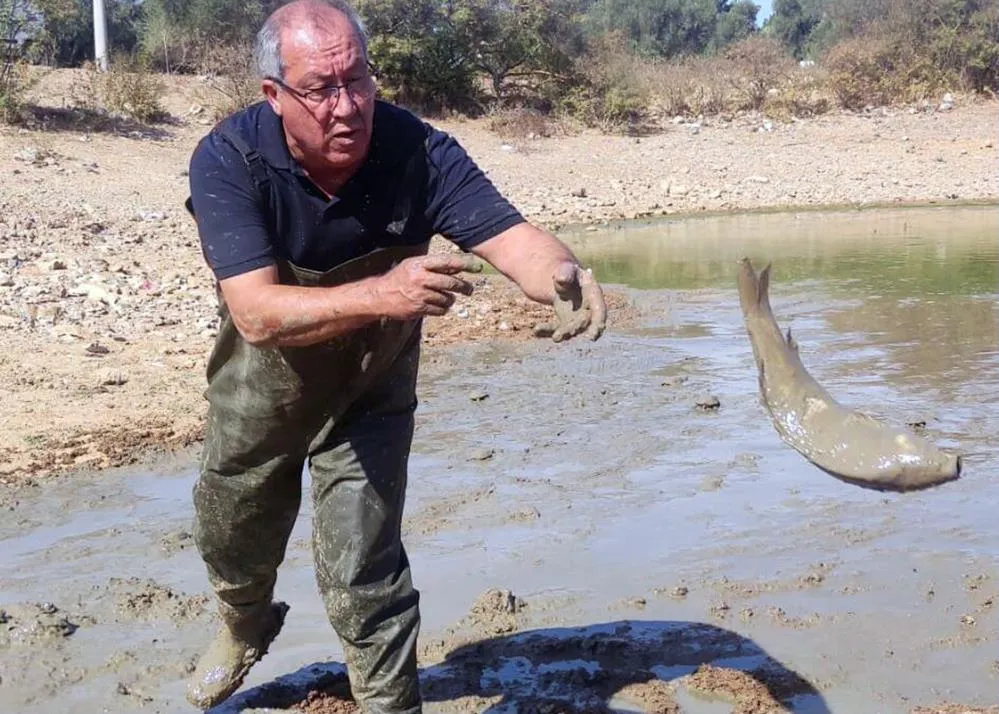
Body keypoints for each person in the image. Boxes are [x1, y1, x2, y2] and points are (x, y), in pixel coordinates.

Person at [182, 0, 607, 711]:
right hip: (265, 387)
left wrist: (562, 273)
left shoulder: (418, 150)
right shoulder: (228, 159)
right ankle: (242, 622)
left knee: (364, 566)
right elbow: (255, 314)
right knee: (232, 534)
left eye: (358, 81)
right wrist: (384, 292)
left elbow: (515, 241)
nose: (346, 106)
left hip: (371, 393)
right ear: (273, 95)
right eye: (320, 90)